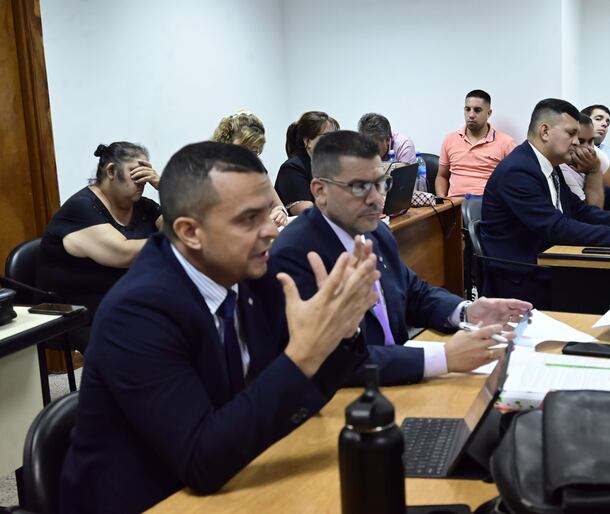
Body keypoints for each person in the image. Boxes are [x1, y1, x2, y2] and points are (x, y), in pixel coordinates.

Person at [59, 141, 380, 514]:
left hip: (237, 474)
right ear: (190, 232)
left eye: (270, 214)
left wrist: (339, 333)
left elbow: (296, 395)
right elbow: (201, 458)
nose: (271, 232)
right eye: (249, 219)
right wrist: (304, 354)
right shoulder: (137, 313)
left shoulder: (256, 275)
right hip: (155, 500)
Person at [271, 130, 532, 386]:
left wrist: (466, 312)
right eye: (360, 187)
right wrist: (444, 357)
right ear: (320, 191)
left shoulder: (377, 232)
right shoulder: (295, 253)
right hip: (342, 403)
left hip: (396, 381)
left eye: (381, 183)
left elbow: (414, 293)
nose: (376, 199)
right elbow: (335, 361)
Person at [480, 99, 610, 306]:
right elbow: (556, 227)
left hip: (549, 263)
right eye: (571, 133)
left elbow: (579, 211)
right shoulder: (518, 171)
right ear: (545, 131)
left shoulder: (547, 165)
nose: (576, 141)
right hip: (523, 278)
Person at [37, 142, 161, 350]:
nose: (143, 181)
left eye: (146, 172)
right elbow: (124, 254)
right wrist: (178, 238)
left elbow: (185, 227)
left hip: (122, 299)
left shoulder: (141, 205)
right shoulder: (81, 207)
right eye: (135, 172)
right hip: (75, 308)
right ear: (111, 171)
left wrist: (166, 187)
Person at [211, 111, 289, 226]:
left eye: (254, 151)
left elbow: (277, 204)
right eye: (242, 148)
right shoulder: (212, 173)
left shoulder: (257, 168)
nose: (248, 156)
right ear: (226, 142)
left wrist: (280, 212)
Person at [435, 89, 517, 197]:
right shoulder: (450, 139)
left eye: (477, 110)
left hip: (486, 204)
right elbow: (442, 176)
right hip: (454, 204)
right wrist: (443, 202)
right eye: (467, 109)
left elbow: (517, 181)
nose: (471, 115)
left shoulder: (506, 143)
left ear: (489, 113)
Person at [275, 111, 339, 215]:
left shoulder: (330, 167)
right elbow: (305, 210)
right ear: (307, 141)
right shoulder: (291, 168)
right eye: (326, 136)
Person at [560, 113, 610, 209]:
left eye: (591, 141)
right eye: (581, 141)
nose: (588, 148)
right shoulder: (562, 169)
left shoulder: (591, 156)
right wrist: (594, 171)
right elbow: (592, 214)